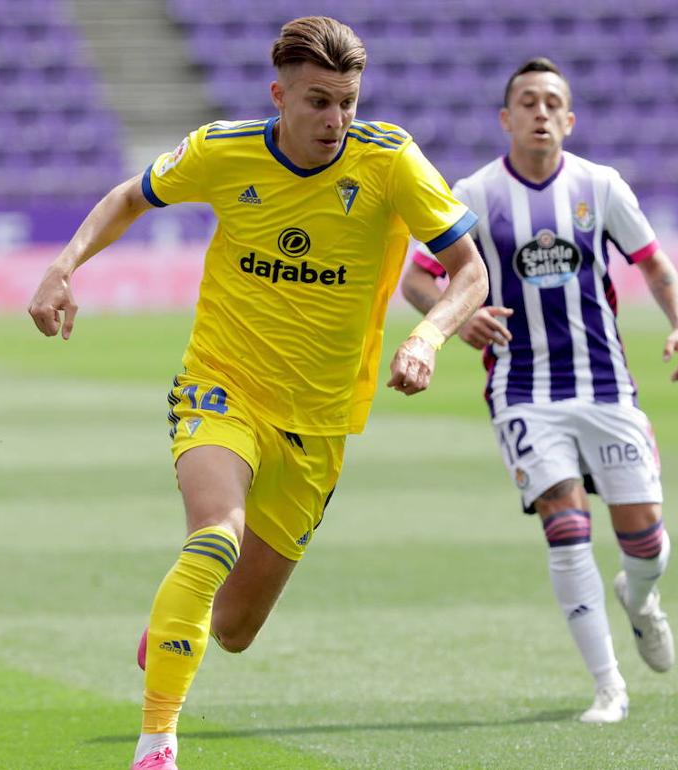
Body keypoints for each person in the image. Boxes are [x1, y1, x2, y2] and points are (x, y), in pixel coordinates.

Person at [27, 17, 486, 770]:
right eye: (317, 101)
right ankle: (156, 746)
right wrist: (64, 265)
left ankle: (181, 617)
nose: (335, 120)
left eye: (346, 102)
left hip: (320, 421)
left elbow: (470, 272)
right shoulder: (222, 150)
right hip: (222, 386)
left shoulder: (391, 161)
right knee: (214, 536)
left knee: (234, 627)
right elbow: (131, 197)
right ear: (279, 96)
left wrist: (426, 337)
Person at [401, 57, 678, 725]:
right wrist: (455, 318)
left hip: (606, 387)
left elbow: (654, 265)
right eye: (526, 102)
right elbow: (417, 279)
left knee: (645, 542)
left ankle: (642, 598)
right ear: (505, 118)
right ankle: (608, 687)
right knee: (565, 526)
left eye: (551, 102)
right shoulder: (474, 194)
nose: (540, 112)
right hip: (523, 389)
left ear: (569, 118)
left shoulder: (601, 186)